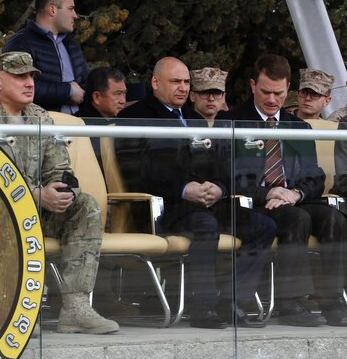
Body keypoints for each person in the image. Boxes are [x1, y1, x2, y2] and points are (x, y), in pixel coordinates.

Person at [0, 52, 119, 334]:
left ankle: (76, 307)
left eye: (31, 76)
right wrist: (34, 195)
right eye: (20, 76)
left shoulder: (40, 116)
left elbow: (60, 167)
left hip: (38, 210)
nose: (29, 82)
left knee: (84, 205)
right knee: (2, 209)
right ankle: (16, 307)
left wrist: (61, 190)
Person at [116, 57, 276, 329]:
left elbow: (221, 166)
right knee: (207, 225)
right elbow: (135, 172)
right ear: (155, 83)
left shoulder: (195, 119)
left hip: (206, 203)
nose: (182, 88)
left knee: (263, 226)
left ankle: (232, 301)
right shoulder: (134, 116)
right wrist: (182, 188)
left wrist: (220, 188)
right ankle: (203, 309)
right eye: (175, 81)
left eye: (186, 82)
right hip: (164, 206)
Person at [221, 54, 347, 327]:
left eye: (278, 93)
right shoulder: (230, 121)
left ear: (287, 89)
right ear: (253, 85)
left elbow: (314, 177)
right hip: (255, 202)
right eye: (265, 91)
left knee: (334, 218)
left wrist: (295, 194)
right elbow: (226, 176)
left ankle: (333, 301)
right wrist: (267, 194)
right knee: (297, 218)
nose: (271, 99)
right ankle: (292, 303)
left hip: (291, 199)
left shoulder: (297, 127)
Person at [3, 0, 89, 114]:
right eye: (70, 9)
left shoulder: (71, 44)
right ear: (52, 10)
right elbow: (15, 86)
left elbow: (86, 82)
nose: (75, 15)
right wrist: (67, 91)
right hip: (41, 128)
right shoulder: (21, 43)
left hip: (79, 127)